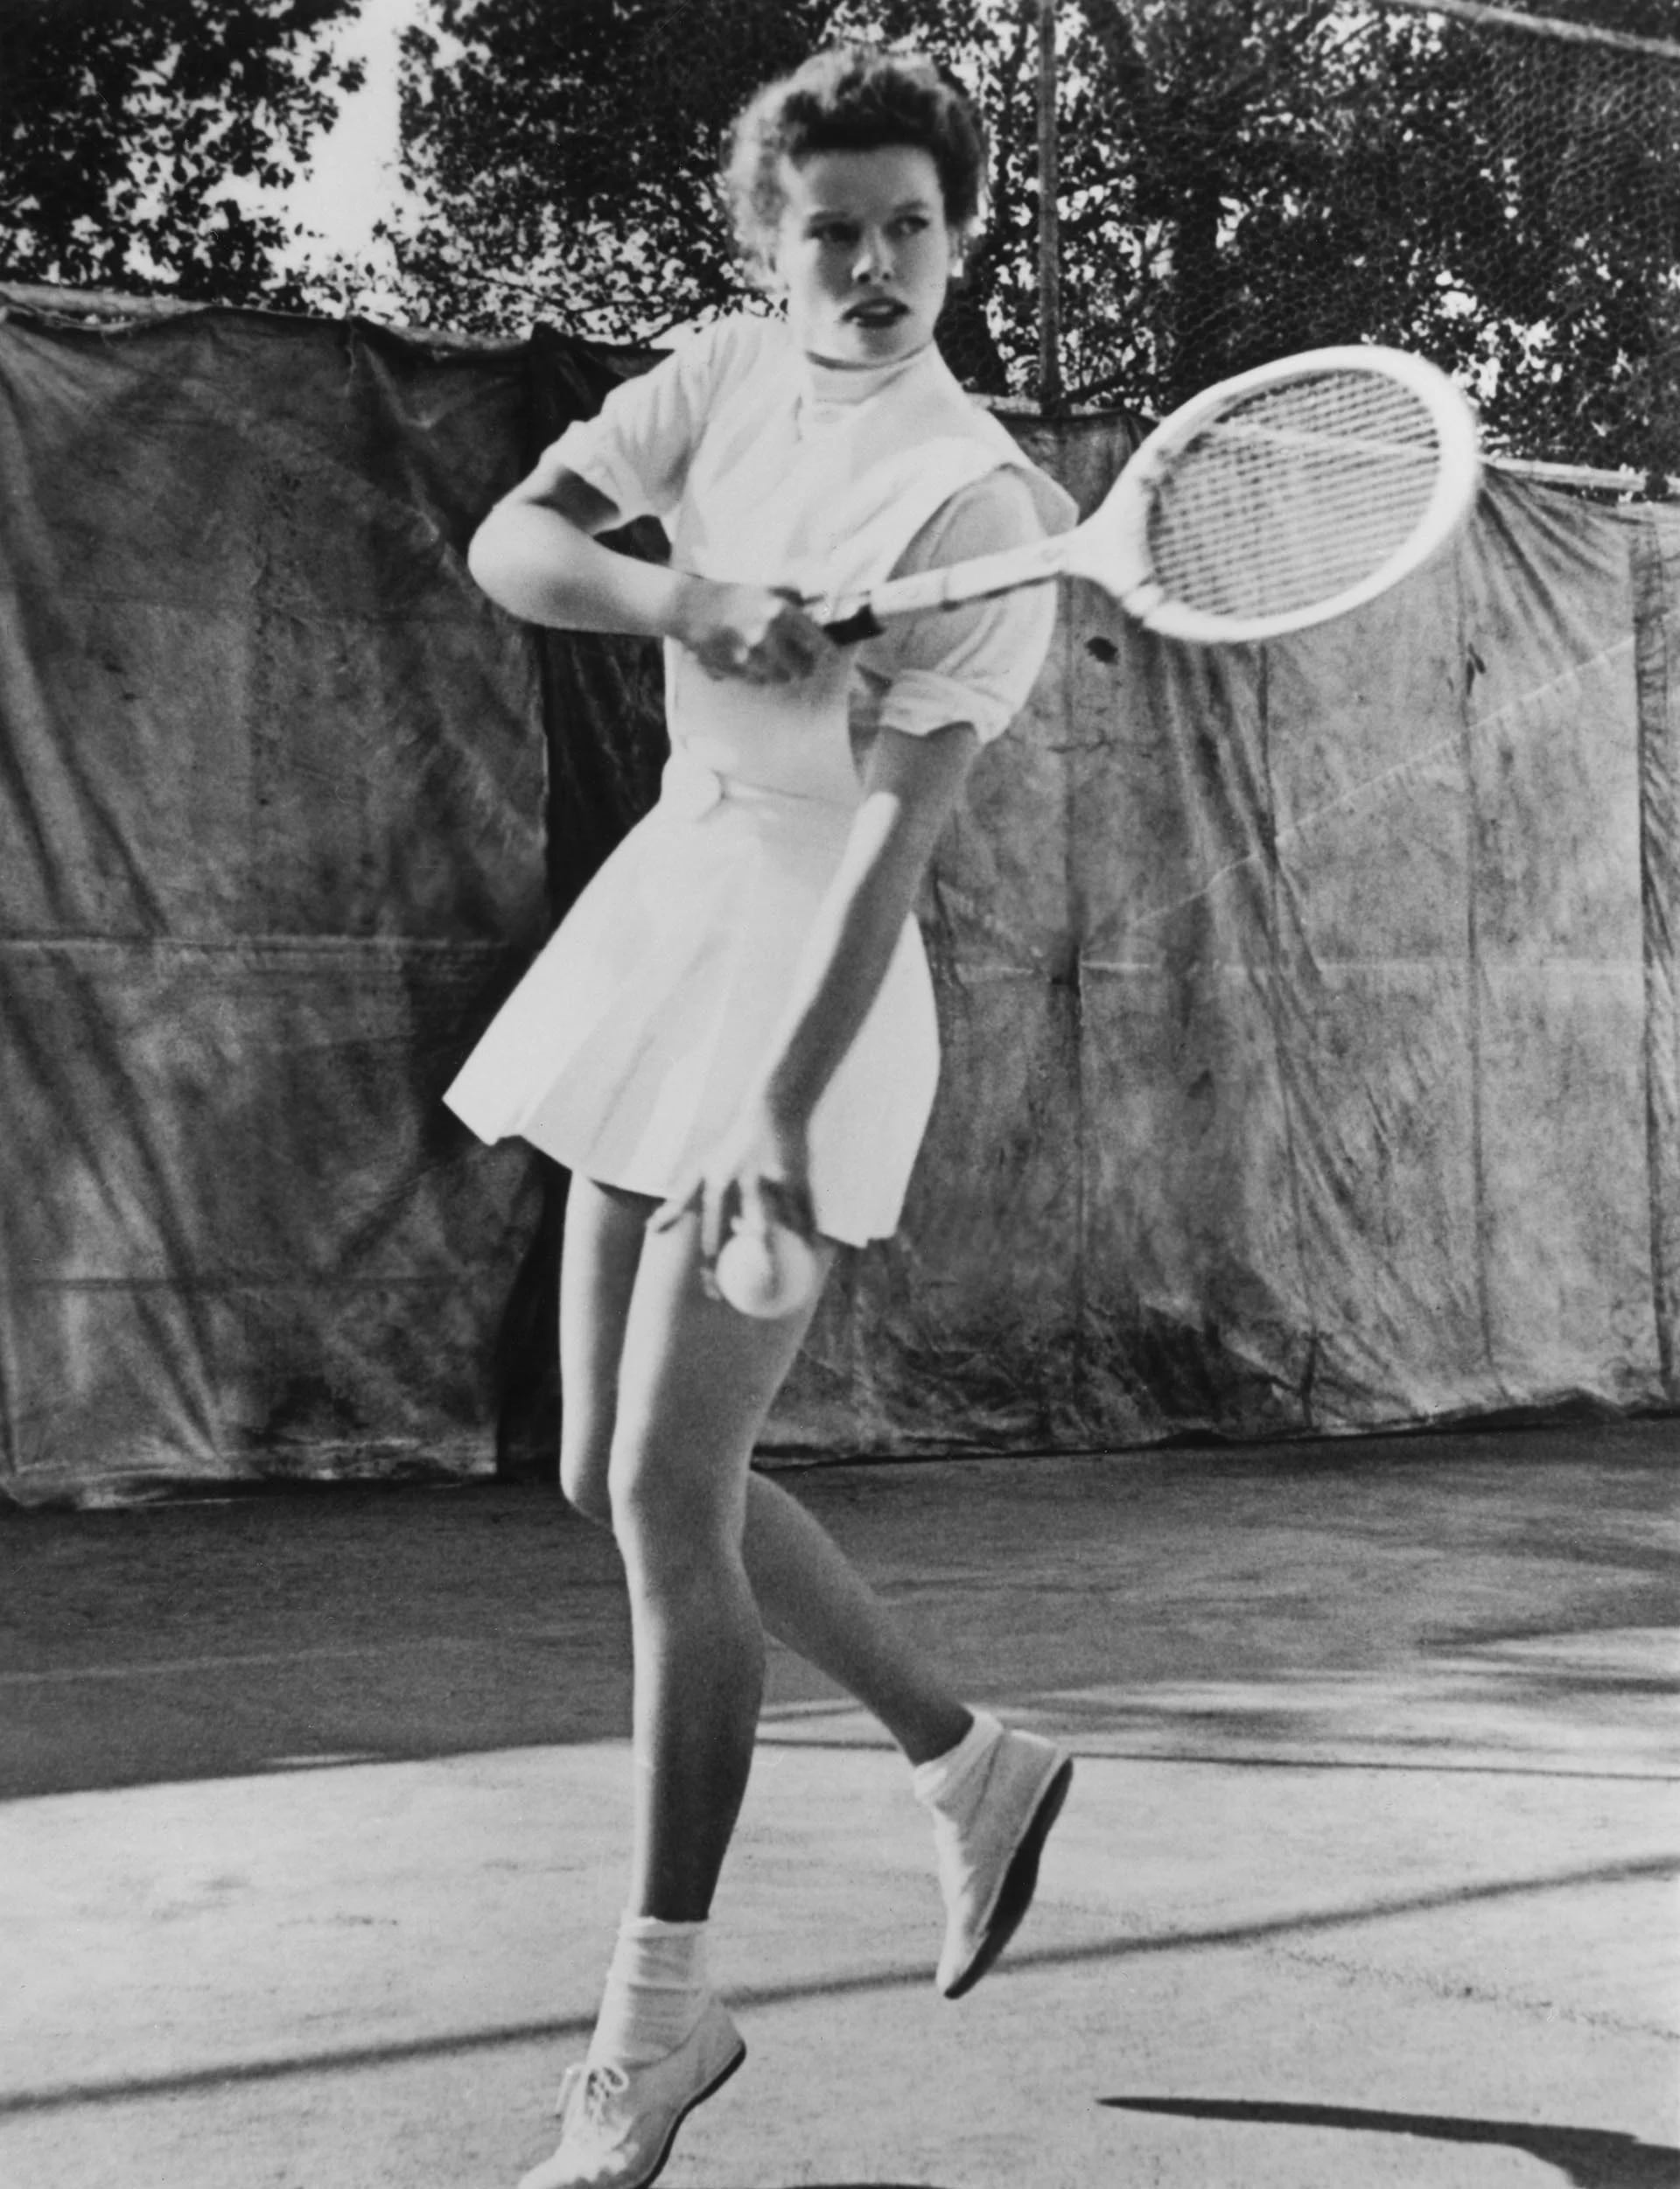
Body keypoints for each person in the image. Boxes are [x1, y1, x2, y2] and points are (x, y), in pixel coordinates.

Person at [445, 43, 1078, 2189]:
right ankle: (964, 1756)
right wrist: (679, 596)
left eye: (915, 223)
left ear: (962, 231)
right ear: (768, 240)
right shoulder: (714, 375)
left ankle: (655, 2021)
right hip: (668, 918)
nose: (878, 263)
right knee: (606, 1481)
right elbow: (512, 543)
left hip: (811, 983)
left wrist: (779, 1114)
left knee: (661, 1485)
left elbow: (896, 843)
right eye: (835, 227)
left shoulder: (986, 513)